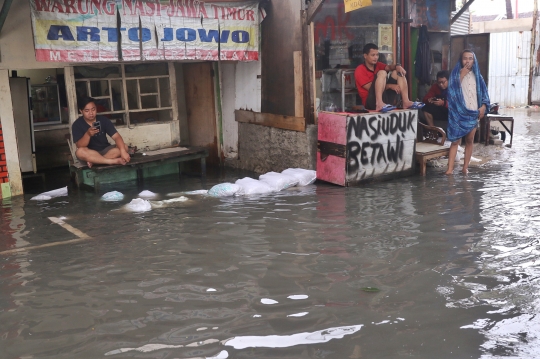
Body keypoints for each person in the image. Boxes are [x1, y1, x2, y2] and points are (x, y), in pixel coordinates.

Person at [445, 50, 490, 175]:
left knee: (470, 140)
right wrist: (461, 75)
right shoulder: (455, 74)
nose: (468, 61)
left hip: (473, 113)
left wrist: (483, 107)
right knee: (455, 141)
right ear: (461, 60)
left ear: (473, 60)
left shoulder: (478, 76)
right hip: (458, 113)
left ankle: (465, 167)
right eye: (465, 58)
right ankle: (449, 169)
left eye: (470, 58)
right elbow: (450, 91)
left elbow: (485, 94)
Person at [72, 97, 131, 168]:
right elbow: (79, 145)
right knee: (79, 152)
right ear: (81, 111)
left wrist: (123, 151)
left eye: (93, 109)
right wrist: (87, 134)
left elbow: (116, 137)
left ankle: (96, 162)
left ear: (96, 109)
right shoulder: (77, 124)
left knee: (124, 147)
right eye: (87, 111)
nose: (91, 113)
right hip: (90, 153)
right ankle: (111, 161)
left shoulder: (103, 120)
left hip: (106, 150)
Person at [354, 43, 415, 112]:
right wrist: (390, 86)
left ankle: (406, 101)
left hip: (385, 99)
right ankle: (379, 103)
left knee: (397, 72)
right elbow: (370, 87)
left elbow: (389, 67)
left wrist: (398, 66)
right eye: (373, 55)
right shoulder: (360, 69)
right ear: (365, 56)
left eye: (377, 55)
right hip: (370, 102)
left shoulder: (378, 65)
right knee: (382, 72)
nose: (376, 57)